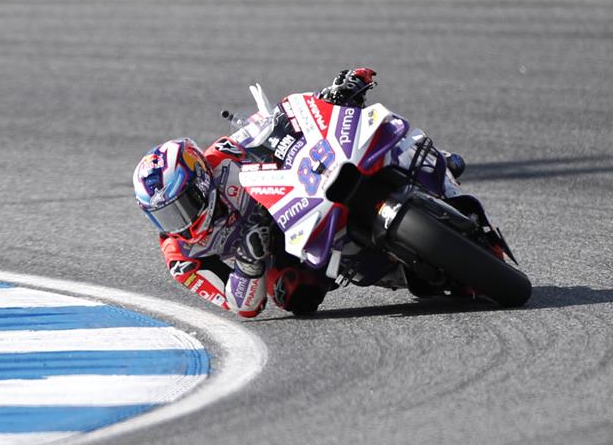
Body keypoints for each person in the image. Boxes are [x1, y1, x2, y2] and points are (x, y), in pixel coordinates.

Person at [132, 68, 464, 318]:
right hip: (275, 246)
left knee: (352, 143)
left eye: (182, 205)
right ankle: (404, 272)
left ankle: (421, 158)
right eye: (163, 215)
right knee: (294, 294)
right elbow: (241, 306)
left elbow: (275, 123)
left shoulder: (222, 156)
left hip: (296, 193)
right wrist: (249, 263)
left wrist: (330, 96)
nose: (180, 222)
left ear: (201, 180)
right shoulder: (181, 256)